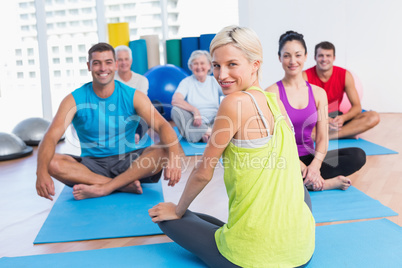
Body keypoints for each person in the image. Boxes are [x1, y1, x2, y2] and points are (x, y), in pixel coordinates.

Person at [149, 26, 315, 268]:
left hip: (257, 257)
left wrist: (178, 211)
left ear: (255, 64)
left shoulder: (233, 102)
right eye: (216, 65)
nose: (221, 74)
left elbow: (203, 172)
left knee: (166, 216)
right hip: (302, 247)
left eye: (232, 65)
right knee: (298, 192)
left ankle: (238, 236)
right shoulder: (274, 99)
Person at [36, 43, 181, 201]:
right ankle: (121, 185)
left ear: (116, 65)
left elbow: (162, 126)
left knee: (165, 150)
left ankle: (105, 188)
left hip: (129, 163)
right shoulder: (73, 99)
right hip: (91, 167)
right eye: (97, 63)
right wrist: (41, 172)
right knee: (49, 162)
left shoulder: (133, 96)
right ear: (89, 66)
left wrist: (174, 159)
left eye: (108, 62)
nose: (103, 68)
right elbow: (50, 136)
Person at [266, 31, 366, 191]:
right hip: (283, 158)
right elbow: (274, 143)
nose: (293, 61)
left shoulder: (318, 93)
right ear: (279, 58)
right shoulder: (271, 92)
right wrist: (305, 170)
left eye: (298, 55)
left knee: (357, 155)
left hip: (310, 158)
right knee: (265, 169)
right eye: (286, 56)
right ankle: (323, 184)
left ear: (305, 56)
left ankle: (304, 182)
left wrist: (315, 166)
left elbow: (322, 138)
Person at [302, 41, 380, 139]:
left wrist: (343, 118)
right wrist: (323, 119)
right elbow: (301, 108)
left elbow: (357, 107)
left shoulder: (345, 75)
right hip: (315, 119)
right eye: (321, 55)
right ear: (315, 57)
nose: (324, 59)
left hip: (336, 118)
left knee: (373, 117)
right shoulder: (305, 76)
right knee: (299, 127)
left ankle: (330, 136)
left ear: (334, 58)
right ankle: (345, 133)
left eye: (328, 55)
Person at [171, 50, 223, 143]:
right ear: (191, 66)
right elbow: (175, 100)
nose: (199, 67)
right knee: (175, 111)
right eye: (195, 64)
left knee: (230, 108)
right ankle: (210, 133)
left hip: (214, 122)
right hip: (195, 123)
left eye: (202, 63)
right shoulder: (186, 82)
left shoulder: (214, 81)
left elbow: (230, 94)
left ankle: (204, 135)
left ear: (209, 66)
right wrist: (195, 111)